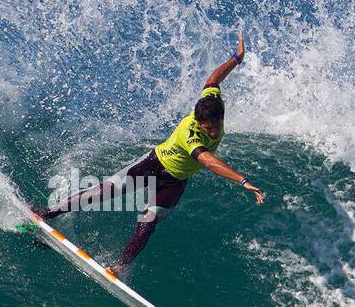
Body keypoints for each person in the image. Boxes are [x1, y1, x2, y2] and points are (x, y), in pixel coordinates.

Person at [32, 33, 265, 276]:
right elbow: (208, 161)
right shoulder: (190, 133)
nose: (214, 132)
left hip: (175, 181)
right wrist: (242, 180)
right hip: (153, 165)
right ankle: (47, 213)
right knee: (103, 192)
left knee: (147, 222)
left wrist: (237, 58)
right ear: (198, 122)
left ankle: (119, 268)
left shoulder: (213, 103)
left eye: (217, 126)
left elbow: (213, 79)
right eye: (209, 129)